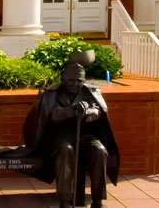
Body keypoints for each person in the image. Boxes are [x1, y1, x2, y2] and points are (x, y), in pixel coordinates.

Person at [22, 60, 119, 208]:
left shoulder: (91, 92)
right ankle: (65, 200)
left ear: (84, 79)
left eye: (79, 80)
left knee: (100, 151)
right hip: (58, 138)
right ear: (63, 78)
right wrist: (71, 110)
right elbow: (52, 115)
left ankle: (97, 200)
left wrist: (93, 113)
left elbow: (99, 111)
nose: (75, 84)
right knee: (66, 151)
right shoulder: (50, 94)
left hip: (84, 137)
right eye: (71, 80)